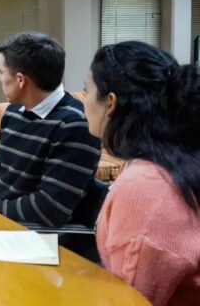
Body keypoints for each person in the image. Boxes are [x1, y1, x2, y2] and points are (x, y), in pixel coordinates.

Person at [85, 41, 200, 305]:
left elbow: (128, 300)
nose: (84, 101)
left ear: (110, 103)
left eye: (86, 90)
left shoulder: (147, 186)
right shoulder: (171, 160)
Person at [0, 32, 101, 227]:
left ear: (20, 80)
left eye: (2, 72)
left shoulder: (75, 124)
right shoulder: (13, 112)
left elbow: (49, 209)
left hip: (30, 233)